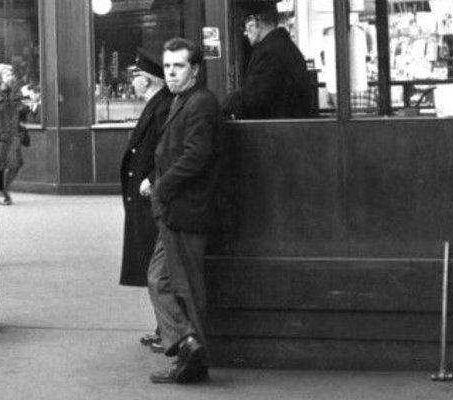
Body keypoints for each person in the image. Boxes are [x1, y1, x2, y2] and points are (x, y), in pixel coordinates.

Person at [144, 38, 226, 384]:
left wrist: (161, 186)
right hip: (176, 209)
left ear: (195, 69)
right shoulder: (185, 100)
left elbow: (195, 156)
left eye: (179, 66)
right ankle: (187, 344)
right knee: (160, 279)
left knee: (186, 287)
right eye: (167, 67)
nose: (172, 72)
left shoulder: (200, 103)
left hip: (187, 209)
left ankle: (193, 358)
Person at [119, 49, 175, 353]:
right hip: (143, 194)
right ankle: (162, 326)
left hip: (149, 194)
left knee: (157, 265)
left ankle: (166, 328)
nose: (132, 83)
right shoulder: (157, 104)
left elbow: (165, 148)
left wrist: (151, 179)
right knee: (152, 262)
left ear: (146, 79)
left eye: (135, 76)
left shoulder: (162, 106)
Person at [224, 9, 316, 119]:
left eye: (245, 26)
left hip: (279, 132)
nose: (245, 33)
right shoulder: (283, 46)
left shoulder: (271, 53)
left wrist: (225, 105)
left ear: (254, 22)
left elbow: (253, 98)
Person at [0, 63, 29, 206]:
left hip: (14, 134)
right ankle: (1, 193)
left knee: (15, 165)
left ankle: (4, 189)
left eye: (12, 74)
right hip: (0, 135)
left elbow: (18, 111)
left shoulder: (14, 93)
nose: (12, 77)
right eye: (8, 74)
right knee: (0, 166)